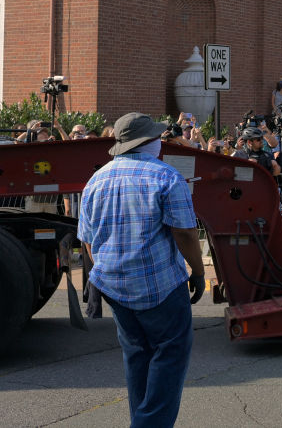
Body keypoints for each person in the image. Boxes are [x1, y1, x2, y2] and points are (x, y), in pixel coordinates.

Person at [77, 113, 204, 427]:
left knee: (137, 354)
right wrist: (198, 272)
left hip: (113, 285)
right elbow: (185, 234)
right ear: (149, 141)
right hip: (161, 284)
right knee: (171, 352)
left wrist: (108, 274)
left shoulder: (96, 180)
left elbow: (89, 242)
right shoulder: (166, 176)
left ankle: (141, 418)